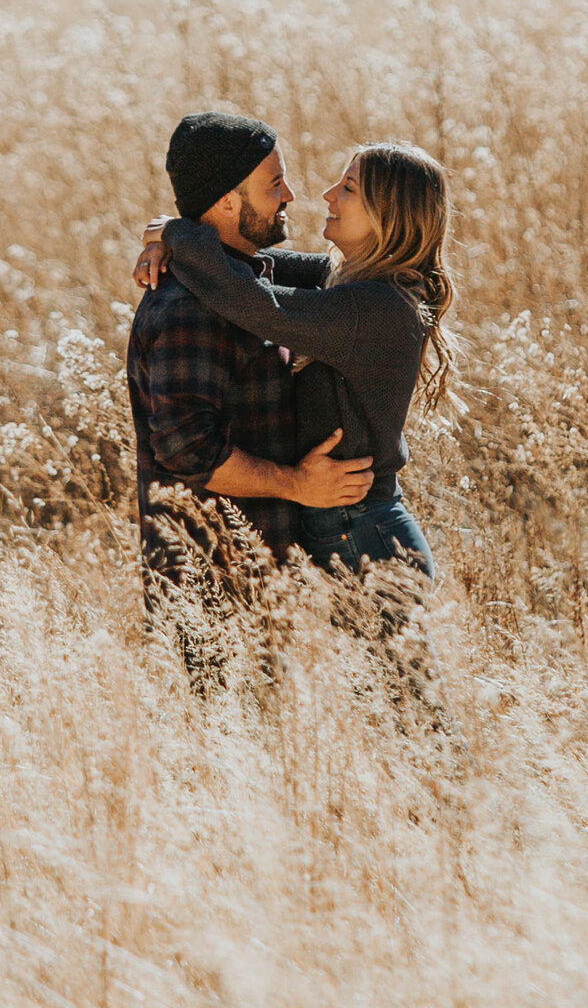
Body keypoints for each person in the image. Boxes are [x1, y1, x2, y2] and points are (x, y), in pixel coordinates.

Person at [136, 140, 459, 581]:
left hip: (363, 531)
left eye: (348, 188)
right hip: (349, 526)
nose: (327, 194)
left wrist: (177, 236)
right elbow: (250, 261)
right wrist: (178, 247)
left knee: (393, 655)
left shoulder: (374, 306)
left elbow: (253, 300)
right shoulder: (351, 280)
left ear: (388, 214)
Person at [124, 112, 375, 679]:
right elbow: (190, 453)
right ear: (228, 202)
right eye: (273, 185)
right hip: (207, 581)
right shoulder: (189, 308)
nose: (291, 194)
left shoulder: (245, 282)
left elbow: (342, 278)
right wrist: (297, 485)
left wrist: (172, 234)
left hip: (259, 575)